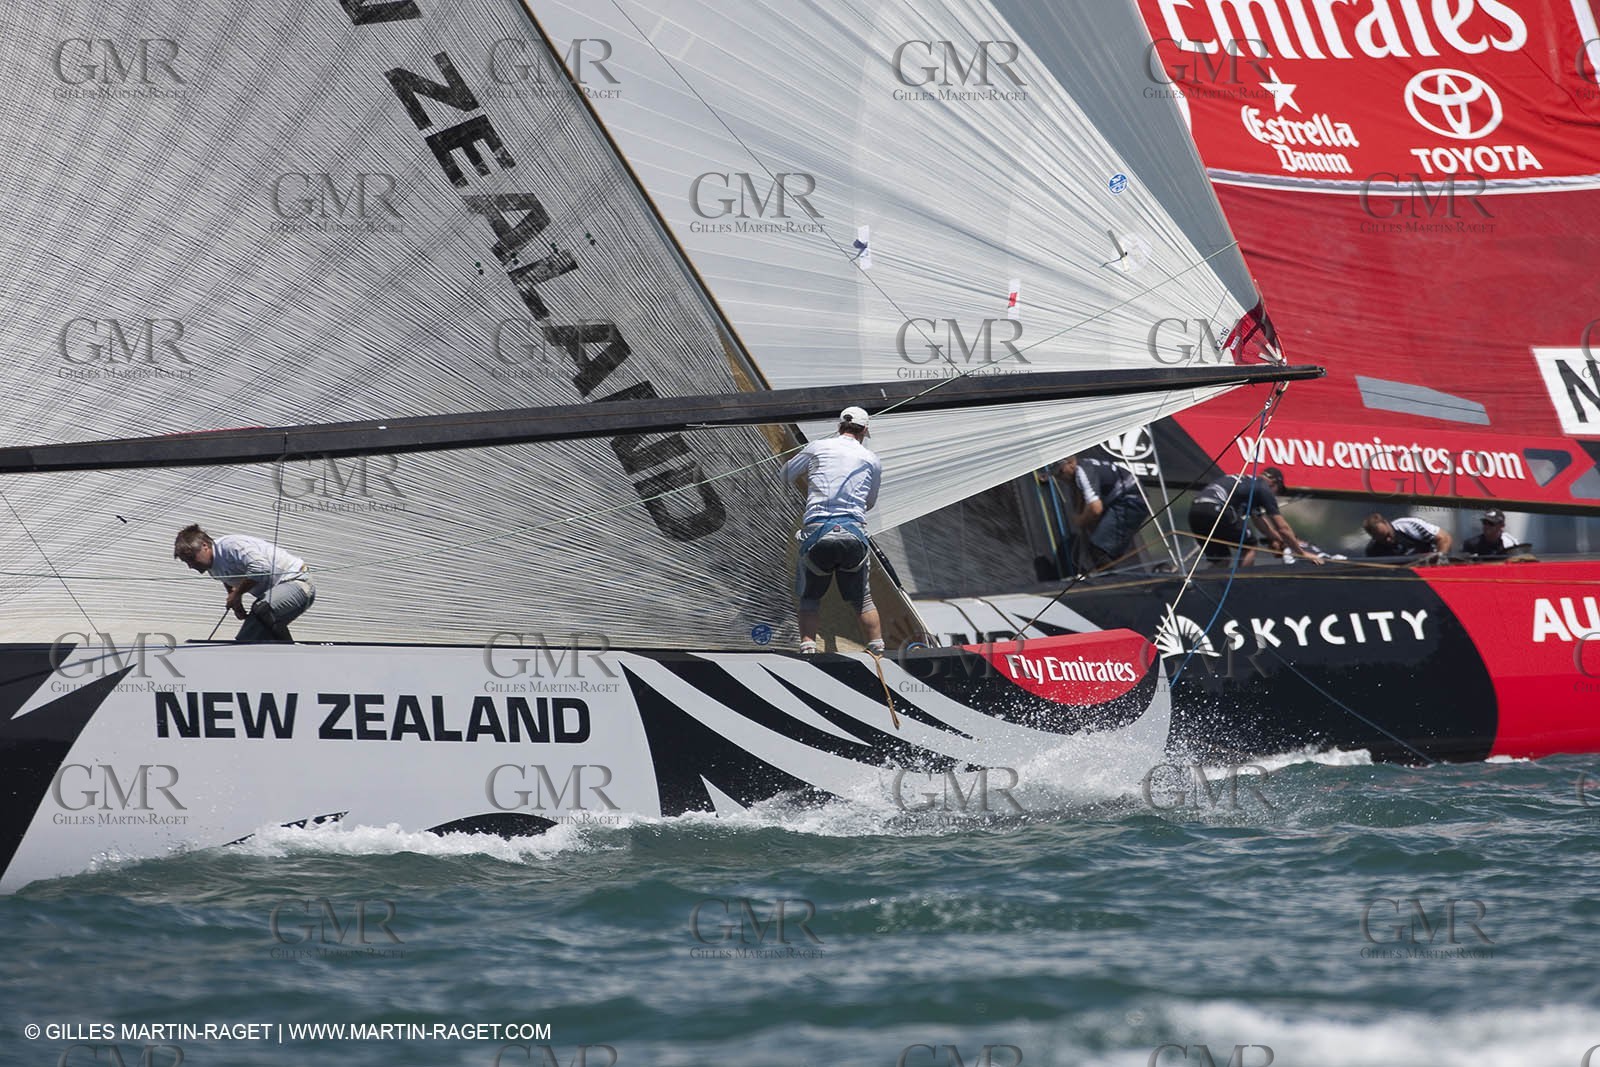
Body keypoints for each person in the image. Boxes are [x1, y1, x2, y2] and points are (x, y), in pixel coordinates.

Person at [782, 406, 883, 656]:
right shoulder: (871, 459)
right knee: (863, 601)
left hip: (818, 535)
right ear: (865, 431)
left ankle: (807, 649)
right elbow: (869, 503)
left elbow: (785, 474)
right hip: (853, 535)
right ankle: (879, 652)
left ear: (839, 426)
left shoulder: (818, 447)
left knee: (810, 600)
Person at [174, 524, 315, 642]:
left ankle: (289, 652)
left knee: (262, 609)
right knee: (254, 634)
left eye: (191, 559)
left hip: (298, 582)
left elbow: (261, 568)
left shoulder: (231, 546)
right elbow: (228, 579)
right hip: (276, 593)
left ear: (205, 546)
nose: (190, 566)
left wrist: (236, 594)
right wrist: (235, 600)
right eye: (187, 562)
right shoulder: (212, 567)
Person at [1187, 466, 1322, 567]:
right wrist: (1301, 553)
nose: (1276, 495)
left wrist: (1282, 540)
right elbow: (1282, 527)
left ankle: (1201, 588)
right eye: (1278, 491)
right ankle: (1240, 589)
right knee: (1250, 546)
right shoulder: (1263, 488)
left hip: (1196, 511)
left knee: (1222, 560)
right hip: (1216, 509)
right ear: (1273, 482)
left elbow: (1262, 524)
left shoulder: (1248, 485)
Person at [1053, 454, 1149, 570]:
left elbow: (1095, 508)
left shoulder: (1083, 472)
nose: (1059, 478)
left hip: (1131, 500)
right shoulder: (1084, 466)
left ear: (1071, 465)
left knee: (1099, 548)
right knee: (1103, 544)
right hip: (1124, 499)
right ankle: (1109, 574)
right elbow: (1083, 497)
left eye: (1060, 472)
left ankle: (1109, 581)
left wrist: (1080, 521)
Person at [1362, 513, 1452, 562]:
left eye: (1388, 535)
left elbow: (1444, 538)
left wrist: (1441, 559)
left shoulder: (1409, 526)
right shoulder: (1373, 551)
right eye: (1382, 540)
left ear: (1386, 523)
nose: (1388, 540)